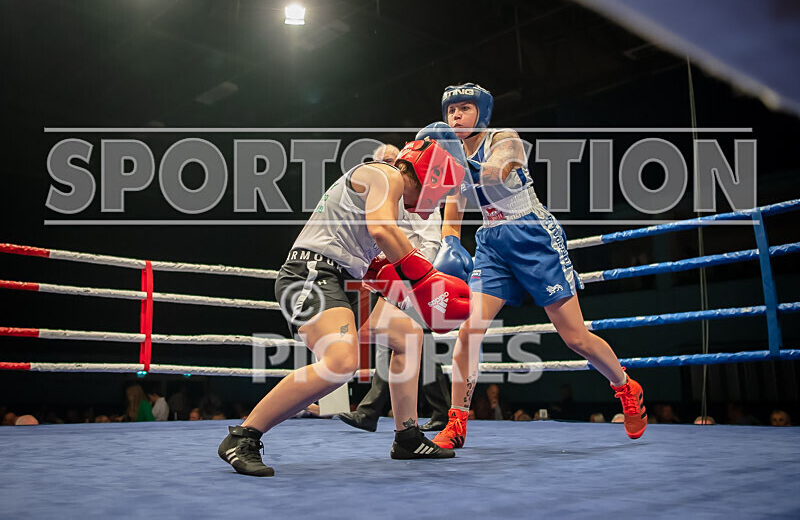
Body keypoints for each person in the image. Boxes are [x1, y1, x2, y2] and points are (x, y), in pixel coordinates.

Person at [217, 135, 471, 476]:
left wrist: (421, 294)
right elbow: (381, 230)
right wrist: (428, 281)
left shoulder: (389, 199)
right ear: (431, 176)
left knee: (408, 334)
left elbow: (378, 262)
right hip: (312, 271)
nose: (437, 200)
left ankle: (406, 436)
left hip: (347, 279)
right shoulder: (385, 175)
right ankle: (244, 436)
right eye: (441, 191)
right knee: (340, 362)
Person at [426, 83, 647, 449]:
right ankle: (457, 422)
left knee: (575, 337)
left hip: (532, 236)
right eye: (450, 111)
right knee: (469, 331)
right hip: (493, 244)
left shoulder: (503, 138)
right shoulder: (452, 157)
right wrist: (450, 240)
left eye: (464, 108)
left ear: (481, 113)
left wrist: (457, 162)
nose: (455, 116)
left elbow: (496, 172)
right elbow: (454, 204)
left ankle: (626, 387)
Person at [338, 143, 452, 433]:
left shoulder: (418, 198)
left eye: (392, 161)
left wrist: (420, 278)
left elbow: (429, 242)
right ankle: (377, 412)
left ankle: (374, 412)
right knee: (403, 342)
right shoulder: (385, 195)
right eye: (382, 162)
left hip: (412, 275)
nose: (388, 167)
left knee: (407, 341)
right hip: (391, 274)